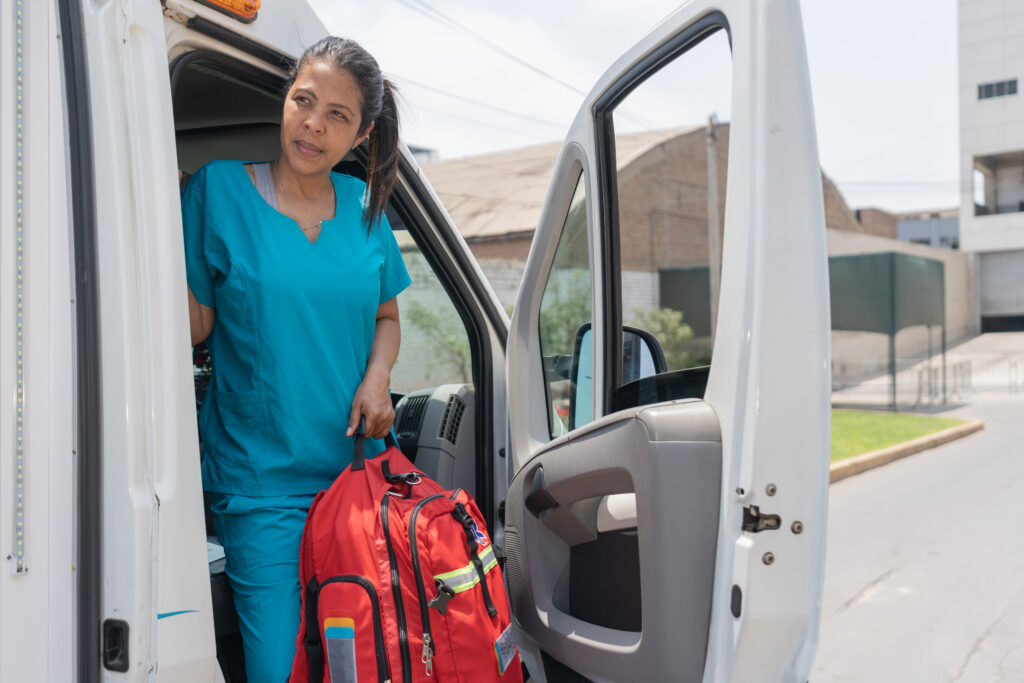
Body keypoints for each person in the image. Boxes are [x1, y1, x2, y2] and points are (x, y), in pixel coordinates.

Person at [181, 37, 410, 682]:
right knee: (280, 665)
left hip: (358, 476)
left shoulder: (368, 214)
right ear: (285, 101)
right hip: (260, 483)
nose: (313, 124)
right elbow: (195, 324)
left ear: (361, 132)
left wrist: (377, 380)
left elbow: (386, 317)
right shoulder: (219, 190)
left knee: (361, 660)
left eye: (337, 115)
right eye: (303, 101)